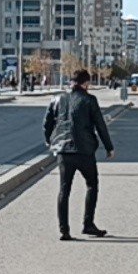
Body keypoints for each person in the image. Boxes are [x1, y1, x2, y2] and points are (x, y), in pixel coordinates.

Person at [44, 69, 114, 241]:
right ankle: (88, 224)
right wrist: (109, 147)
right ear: (85, 84)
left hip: (63, 151)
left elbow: (47, 122)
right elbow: (100, 125)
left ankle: (64, 230)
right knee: (92, 184)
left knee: (64, 190)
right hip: (84, 151)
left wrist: (49, 140)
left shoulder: (57, 99)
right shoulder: (89, 100)